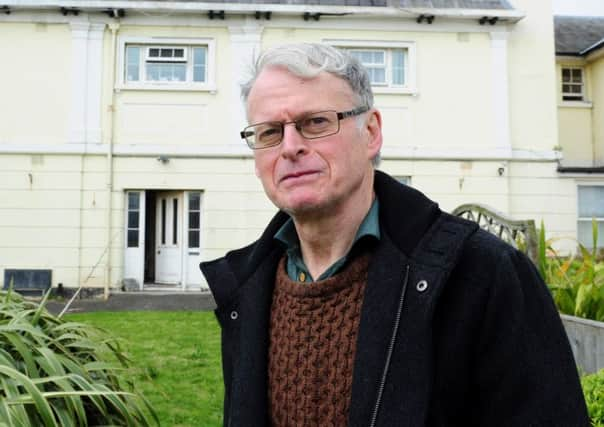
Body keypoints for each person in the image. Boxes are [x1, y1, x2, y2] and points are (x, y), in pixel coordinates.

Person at [200, 43, 589, 427]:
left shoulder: (483, 274)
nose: (290, 147)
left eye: (316, 122)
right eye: (269, 132)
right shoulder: (247, 289)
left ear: (370, 133)